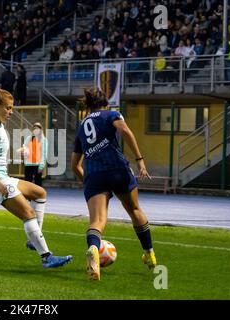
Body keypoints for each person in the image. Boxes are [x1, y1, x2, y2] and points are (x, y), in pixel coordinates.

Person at [0, 86, 72, 268]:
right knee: (28, 214)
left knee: (40, 193)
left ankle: (33, 240)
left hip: (1, 177)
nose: (11, 112)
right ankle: (46, 256)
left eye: (12, 108)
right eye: (8, 108)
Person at [71, 87, 157, 281]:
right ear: (106, 103)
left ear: (89, 106)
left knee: (97, 221)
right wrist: (140, 159)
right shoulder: (111, 114)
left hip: (93, 174)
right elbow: (125, 131)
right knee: (134, 209)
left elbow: (74, 165)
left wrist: (89, 182)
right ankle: (149, 253)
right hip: (117, 168)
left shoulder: (81, 126)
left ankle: (93, 248)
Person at [21, 122, 47, 187]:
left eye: (38, 128)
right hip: (28, 164)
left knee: (38, 183)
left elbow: (44, 154)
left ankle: (38, 197)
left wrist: (41, 166)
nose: (36, 130)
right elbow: (24, 148)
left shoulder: (44, 140)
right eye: (34, 128)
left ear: (41, 130)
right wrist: (24, 152)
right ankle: (27, 196)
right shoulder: (28, 138)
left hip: (38, 165)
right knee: (27, 183)